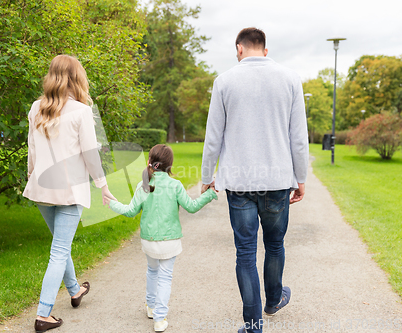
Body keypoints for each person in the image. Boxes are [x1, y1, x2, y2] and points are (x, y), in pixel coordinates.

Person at [200, 28, 309, 333]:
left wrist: (207, 177)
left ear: (239, 48)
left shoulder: (224, 81)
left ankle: (253, 326)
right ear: (264, 49)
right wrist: (301, 178)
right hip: (277, 180)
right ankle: (274, 299)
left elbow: (213, 137)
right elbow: (298, 138)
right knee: (275, 245)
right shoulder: (290, 79)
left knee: (245, 252)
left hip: (239, 183)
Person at [23, 55, 116, 333]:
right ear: (77, 78)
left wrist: (30, 176)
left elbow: (32, 150)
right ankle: (43, 314)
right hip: (69, 190)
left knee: (59, 246)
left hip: (41, 187)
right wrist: (103, 185)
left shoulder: (35, 107)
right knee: (59, 250)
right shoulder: (81, 111)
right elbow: (90, 154)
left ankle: (75, 291)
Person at [105, 144, 218, 332]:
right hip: (170, 242)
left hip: (148, 241)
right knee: (165, 277)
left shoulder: (144, 185)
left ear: (149, 162)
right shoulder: (175, 185)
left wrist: (113, 203)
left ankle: (150, 307)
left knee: (152, 270)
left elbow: (130, 211)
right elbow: (191, 207)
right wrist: (209, 195)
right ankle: (159, 318)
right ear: (170, 165)